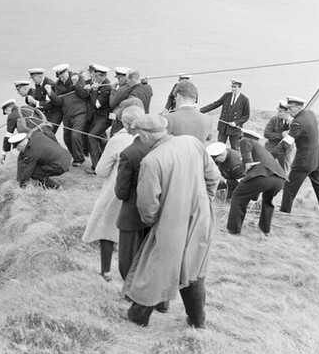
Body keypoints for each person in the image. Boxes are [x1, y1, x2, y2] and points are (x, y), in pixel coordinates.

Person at [122, 114, 220, 329]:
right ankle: (197, 321)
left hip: (170, 225)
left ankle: (138, 318)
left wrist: (154, 221)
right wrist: (204, 203)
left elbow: (147, 206)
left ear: (145, 136)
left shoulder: (151, 161)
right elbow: (213, 176)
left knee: (152, 269)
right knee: (194, 270)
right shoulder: (192, 142)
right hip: (201, 219)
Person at [82, 103, 145, 282]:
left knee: (106, 226)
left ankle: (106, 271)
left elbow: (101, 170)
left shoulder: (119, 140)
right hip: (142, 193)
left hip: (117, 190)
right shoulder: (151, 137)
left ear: (125, 124)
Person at [113, 100, 156, 281]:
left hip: (132, 212)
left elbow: (121, 191)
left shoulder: (128, 153)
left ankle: (130, 291)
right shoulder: (158, 146)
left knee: (127, 257)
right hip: (156, 210)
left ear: (128, 125)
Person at [279, 95, 319, 214]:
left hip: (303, 162)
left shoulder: (298, 123)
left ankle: (284, 213)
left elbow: (286, 144)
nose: (288, 111)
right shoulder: (310, 114)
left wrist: (269, 156)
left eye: (290, 108)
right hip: (316, 159)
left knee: (289, 188)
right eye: (287, 108)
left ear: (299, 107)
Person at [227, 129, 288, 235]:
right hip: (279, 179)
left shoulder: (246, 140)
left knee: (238, 196)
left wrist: (247, 162)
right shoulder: (262, 151)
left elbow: (249, 162)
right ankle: (265, 229)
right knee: (267, 201)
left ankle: (233, 230)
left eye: (240, 138)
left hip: (263, 176)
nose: (240, 140)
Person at [48, 63, 90, 166]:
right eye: (59, 76)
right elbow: (59, 102)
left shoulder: (77, 77)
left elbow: (84, 94)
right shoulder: (57, 84)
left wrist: (76, 84)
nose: (61, 78)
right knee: (66, 137)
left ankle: (79, 159)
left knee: (75, 135)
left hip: (80, 112)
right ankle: (74, 156)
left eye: (63, 75)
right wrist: (50, 93)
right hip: (67, 114)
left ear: (67, 71)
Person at [78, 63, 112, 171]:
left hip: (103, 117)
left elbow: (96, 105)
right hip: (95, 116)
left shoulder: (106, 87)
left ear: (103, 76)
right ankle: (107, 160)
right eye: (93, 74)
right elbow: (84, 94)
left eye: (96, 75)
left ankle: (96, 167)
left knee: (91, 136)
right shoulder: (96, 82)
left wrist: (93, 91)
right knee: (101, 139)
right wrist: (87, 89)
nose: (93, 76)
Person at [200, 79, 251, 149]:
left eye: (235, 87)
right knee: (219, 147)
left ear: (239, 88)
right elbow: (215, 104)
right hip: (223, 127)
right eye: (232, 87)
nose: (233, 89)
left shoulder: (245, 100)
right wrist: (200, 110)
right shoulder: (226, 95)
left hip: (235, 130)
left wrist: (236, 123)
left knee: (235, 148)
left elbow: (246, 116)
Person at [109, 69, 153, 133]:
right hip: (145, 119)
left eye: (127, 80)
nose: (126, 82)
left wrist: (115, 115)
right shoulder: (148, 87)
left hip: (136, 123)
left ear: (132, 80)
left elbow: (128, 112)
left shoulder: (132, 94)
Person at [26, 68, 62, 133]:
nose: (33, 81)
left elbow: (49, 105)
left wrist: (34, 102)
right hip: (45, 113)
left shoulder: (49, 84)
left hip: (53, 114)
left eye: (34, 79)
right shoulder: (38, 84)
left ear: (40, 76)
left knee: (48, 134)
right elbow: (38, 97)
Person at [263, 99, 294, 173]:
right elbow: (266, 133)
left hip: (286, 149)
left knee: (284, 170)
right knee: (264, 165)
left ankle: (284, 183)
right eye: (278, 111)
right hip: (271, 147)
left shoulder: (293, 122)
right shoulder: (274, 119)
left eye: (280, 111)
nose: (278, 113)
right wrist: (281, 135)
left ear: (287, 112)